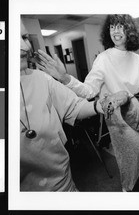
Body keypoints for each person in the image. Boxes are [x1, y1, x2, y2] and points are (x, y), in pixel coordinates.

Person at [35, 14, 139, 191]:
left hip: (134, 104)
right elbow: (89, 90)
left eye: (120, 26)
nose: (115, 31)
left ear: (129, 31)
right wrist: (65, 78)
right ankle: (130, 191)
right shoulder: (104, 58)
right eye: (112, 27)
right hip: (115, 110)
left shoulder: (135, 58)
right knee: (131, 158)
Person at [20, 19, 110, 191]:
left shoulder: (41, 78)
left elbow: (74, 107)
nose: (25, 47)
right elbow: (89, 90)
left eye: (24, 37)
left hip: (64, 183)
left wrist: (101, 105)